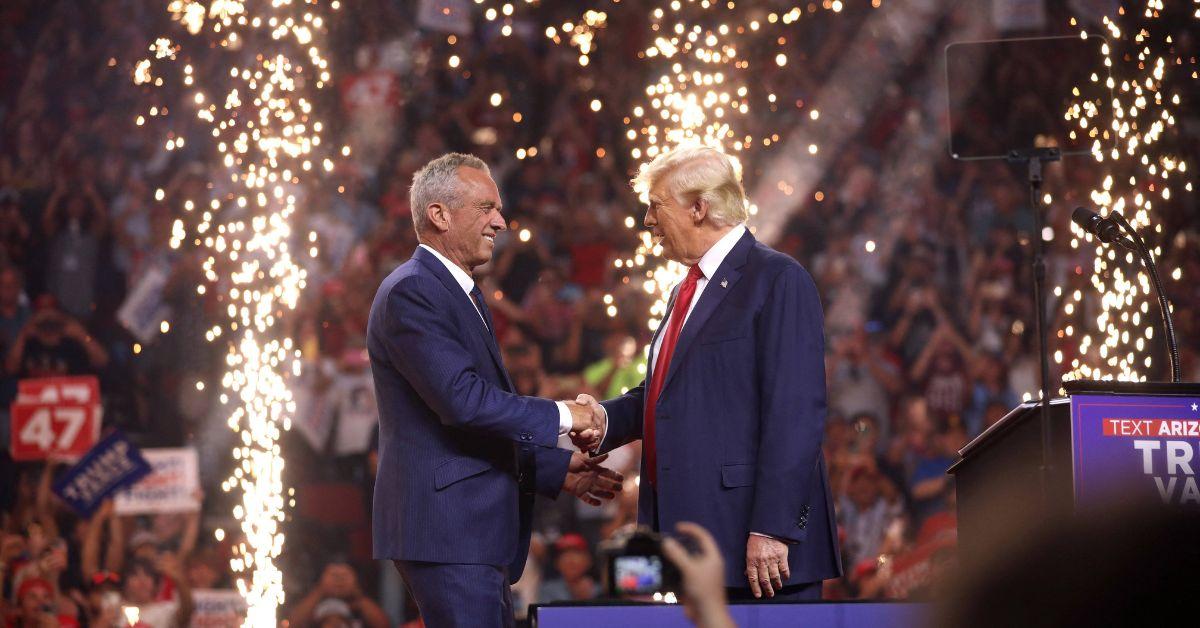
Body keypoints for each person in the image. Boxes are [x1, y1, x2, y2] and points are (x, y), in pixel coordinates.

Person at [575, 145, 842, 600]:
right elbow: (668, 394)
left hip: (751, 543)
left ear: (699, 207)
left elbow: (795, 413)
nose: (647, 222)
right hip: (690, 537)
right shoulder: (684, 290)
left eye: (656, 207)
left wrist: (772, 529)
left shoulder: (777, 278)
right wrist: (605, 420)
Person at [366, 153, 620, 627]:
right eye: (486, 208)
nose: (501, 222)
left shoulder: (457, 292)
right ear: (439, 214)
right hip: (451, 531)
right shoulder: (413, 290)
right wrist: (567, 415)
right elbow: (464, 404)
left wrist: (552, 467)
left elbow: (465, 428)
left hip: (469, 531)